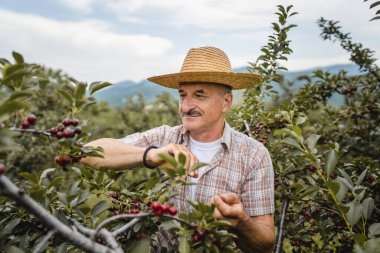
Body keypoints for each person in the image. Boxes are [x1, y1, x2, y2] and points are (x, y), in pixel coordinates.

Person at [81, 46, 275, 253]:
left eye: (200, 96)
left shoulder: (254, 155)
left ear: (226, 102)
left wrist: (241, 222)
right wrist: (151, 154)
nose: (186, 106)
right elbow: (86, 152)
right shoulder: (165, 138)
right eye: (183, 95)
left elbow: (264, 244)